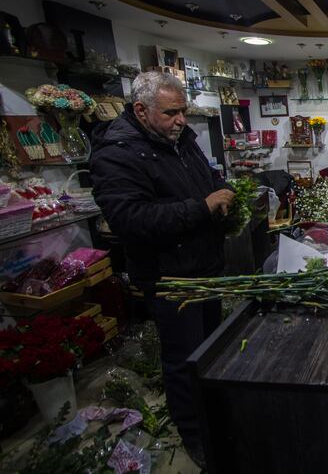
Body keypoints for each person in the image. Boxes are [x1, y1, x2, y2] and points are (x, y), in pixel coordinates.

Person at [90, 72, 233, 467]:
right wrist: (202, 207)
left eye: (183, 111)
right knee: (184, 360)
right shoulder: (116, 153)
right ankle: (195, 434)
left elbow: (209, 178)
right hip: (170, 277)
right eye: (171, 113)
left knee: (211, 349)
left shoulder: (180, 140)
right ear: (141, 110)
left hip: (204, 267)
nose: (181, 119)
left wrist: (224, 192)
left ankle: (214, 416)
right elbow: (129, 220)